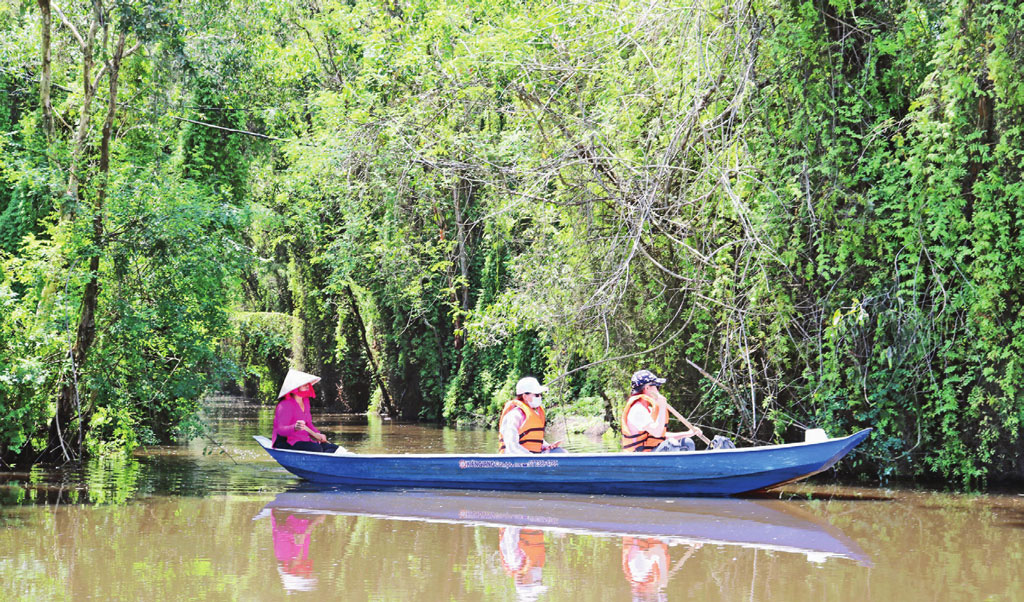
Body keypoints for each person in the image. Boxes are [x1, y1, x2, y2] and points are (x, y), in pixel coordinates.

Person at [621, 369, 702, 452]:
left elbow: (661, 436)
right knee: (671, 444)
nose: (658, 390)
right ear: (647, 388)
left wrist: (689, 433)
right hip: (641, 458)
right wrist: (662, 406)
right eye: (656, 386)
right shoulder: (637, 410)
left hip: (650, 453)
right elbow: (657, 433)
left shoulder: (648, 409)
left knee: (687, 442)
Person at [272, 368, 339, 453]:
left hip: (302, 439)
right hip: (286, 442)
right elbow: (280, 430)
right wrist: (294, 427)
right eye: (303, 384)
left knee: (334, 448)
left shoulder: (305, 401)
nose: (307, 385)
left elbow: (308, 423)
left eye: (308, 383)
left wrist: (317, 434)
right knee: (317, 449)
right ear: (295, 387)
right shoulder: (285, 404)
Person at [498, 377, 565, 455]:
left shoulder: (534, 414)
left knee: (560, 452)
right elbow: (511, 447)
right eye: (536, 395)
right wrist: (532, 458)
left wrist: (546, 446)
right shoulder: (513, 416)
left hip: (532, 459)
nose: (540, 397)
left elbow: (532, 439)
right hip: (515, 461)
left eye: (540, 394)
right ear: (525, 396)